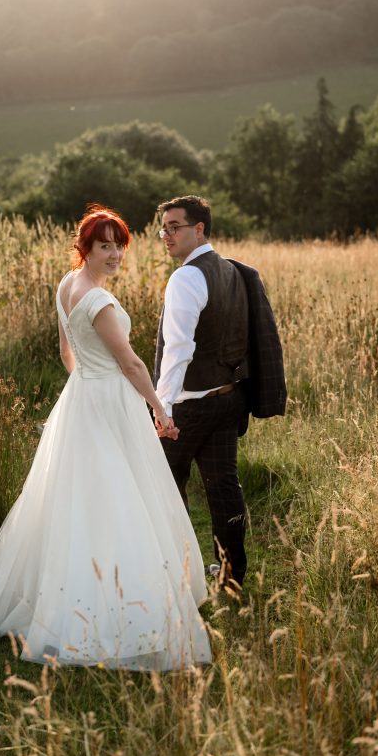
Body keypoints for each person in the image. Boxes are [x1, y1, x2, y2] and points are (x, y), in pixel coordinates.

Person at [0, 204, 211, 670]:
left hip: (82, 400)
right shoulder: (97, 301)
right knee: (119, 496)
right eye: (105, 246)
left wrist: (85, 388)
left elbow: (66, 351)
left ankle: (56, 597)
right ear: (86, 249)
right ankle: (114, 612)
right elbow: (132, 363)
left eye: (119, 245)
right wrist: (159, 409)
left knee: (77, 496)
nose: (115, 254)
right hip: (107, 404)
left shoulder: (66, 286)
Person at [154, 195, 286, 593]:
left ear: (200, 229)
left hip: (190, 406)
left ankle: (169, 578)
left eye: (175, 226)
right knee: (223, 486)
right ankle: (231, 577)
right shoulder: (233, 271)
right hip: (229, 399)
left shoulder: (186, 278)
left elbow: (177, 351)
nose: (166, 235)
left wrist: (162, 408)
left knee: (160, 486)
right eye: (163, 227)